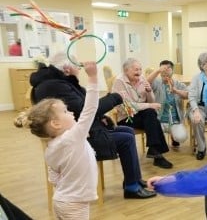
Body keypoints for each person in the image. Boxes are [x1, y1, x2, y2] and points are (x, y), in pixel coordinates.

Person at [27, 52, 156, 199]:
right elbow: (85, 110)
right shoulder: (55, 86)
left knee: (127, 131)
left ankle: (133, 179)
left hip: (81, 132)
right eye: (78, 67)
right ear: (68, 69)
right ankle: (132, 188)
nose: (80, 69)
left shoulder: (60, 83)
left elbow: (86, 106)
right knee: (125, 139)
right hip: (76, 142)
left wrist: (102, 117)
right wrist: (115, 98)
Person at [16, 61, 99, 219]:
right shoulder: (71, 139)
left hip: (61, 200)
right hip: (75, 204)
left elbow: (54, 177)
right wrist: (93, 78)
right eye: (66, 111)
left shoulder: (52, 147)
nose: (72, 113)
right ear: (56, 123)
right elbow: (90, 110)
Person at [112, 58, 173, 169]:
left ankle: (154, 150)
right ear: (126, 70)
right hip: (127, 117)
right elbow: (126, 107)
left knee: (151, 114)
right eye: (136, 69)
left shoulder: (142, 79)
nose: (139, 72)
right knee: (152, 116)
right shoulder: (119, 82)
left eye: (140, 69)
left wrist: (149, 92)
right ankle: (157, 154)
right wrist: (149, 106)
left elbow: (151, 101)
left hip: (142, 115)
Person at [146, 60, 189, 148]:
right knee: (157, 139)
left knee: (182, 137)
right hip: (159, 120)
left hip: (174, 120)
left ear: (172, 70)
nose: (165, 71)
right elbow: (146, 82)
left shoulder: (178, 84)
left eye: (168, 69)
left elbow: (188, 95)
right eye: (163, 69)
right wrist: (157, 71)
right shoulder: (157, 82)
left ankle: (173, 136)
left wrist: (176, 91)